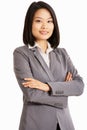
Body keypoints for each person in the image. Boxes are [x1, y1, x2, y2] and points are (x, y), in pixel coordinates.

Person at [13, 1, 84, 130]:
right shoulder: (21, 53)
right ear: (30, 23)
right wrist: (64, 94)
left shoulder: (62, 53)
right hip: (36, 124)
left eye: (49, 21)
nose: (45, 26)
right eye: (39, 21)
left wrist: (47, 87)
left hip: (64, 124)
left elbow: (79, 86)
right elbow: (32, 94)